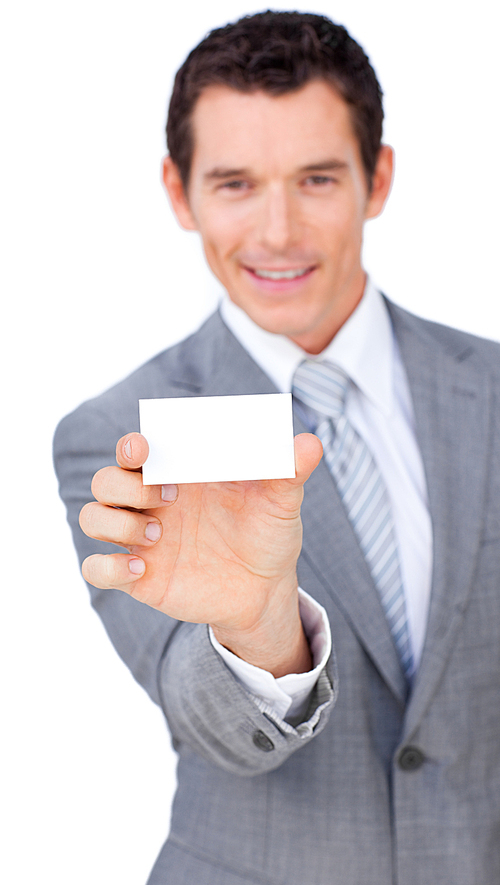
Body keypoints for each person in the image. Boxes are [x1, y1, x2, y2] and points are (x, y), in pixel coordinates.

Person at [53, 10, 500, 884]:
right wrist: (258, 627)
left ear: (378, 180)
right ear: (179, 194)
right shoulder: (122, 433)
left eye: (318, 179)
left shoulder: (490, 390)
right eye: (235, 184)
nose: (279, 231)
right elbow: (212, 720)